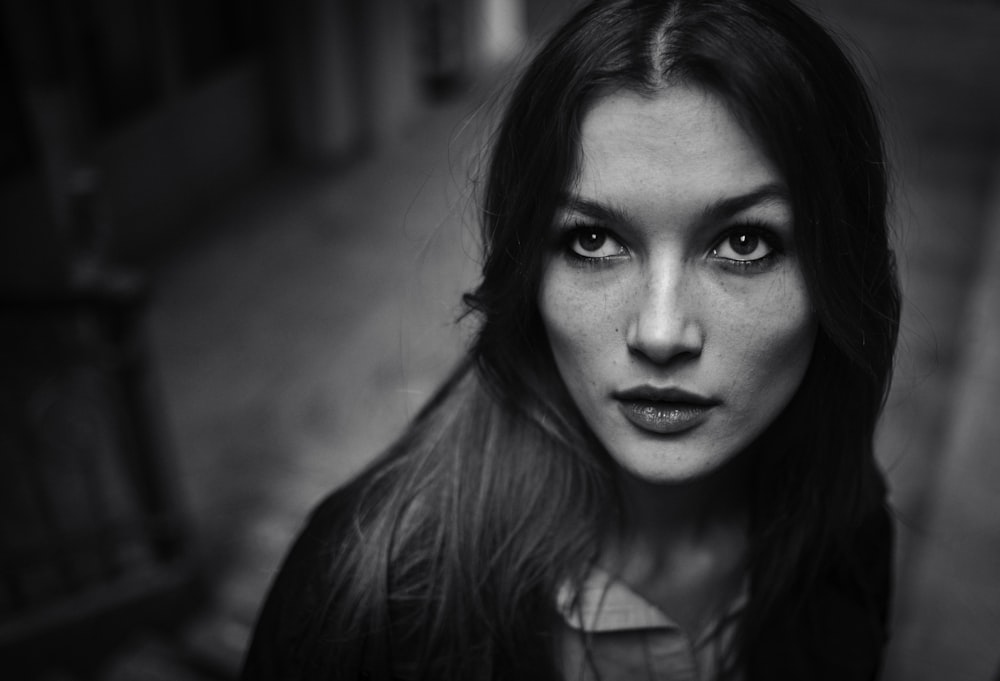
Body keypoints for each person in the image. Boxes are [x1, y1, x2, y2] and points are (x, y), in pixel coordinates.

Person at [241, 0, 901, 679]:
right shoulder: (362, 600)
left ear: (840, 273)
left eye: (744, 242)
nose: (661, 332)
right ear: (528, 270)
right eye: (594, 240)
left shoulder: (843, 521)